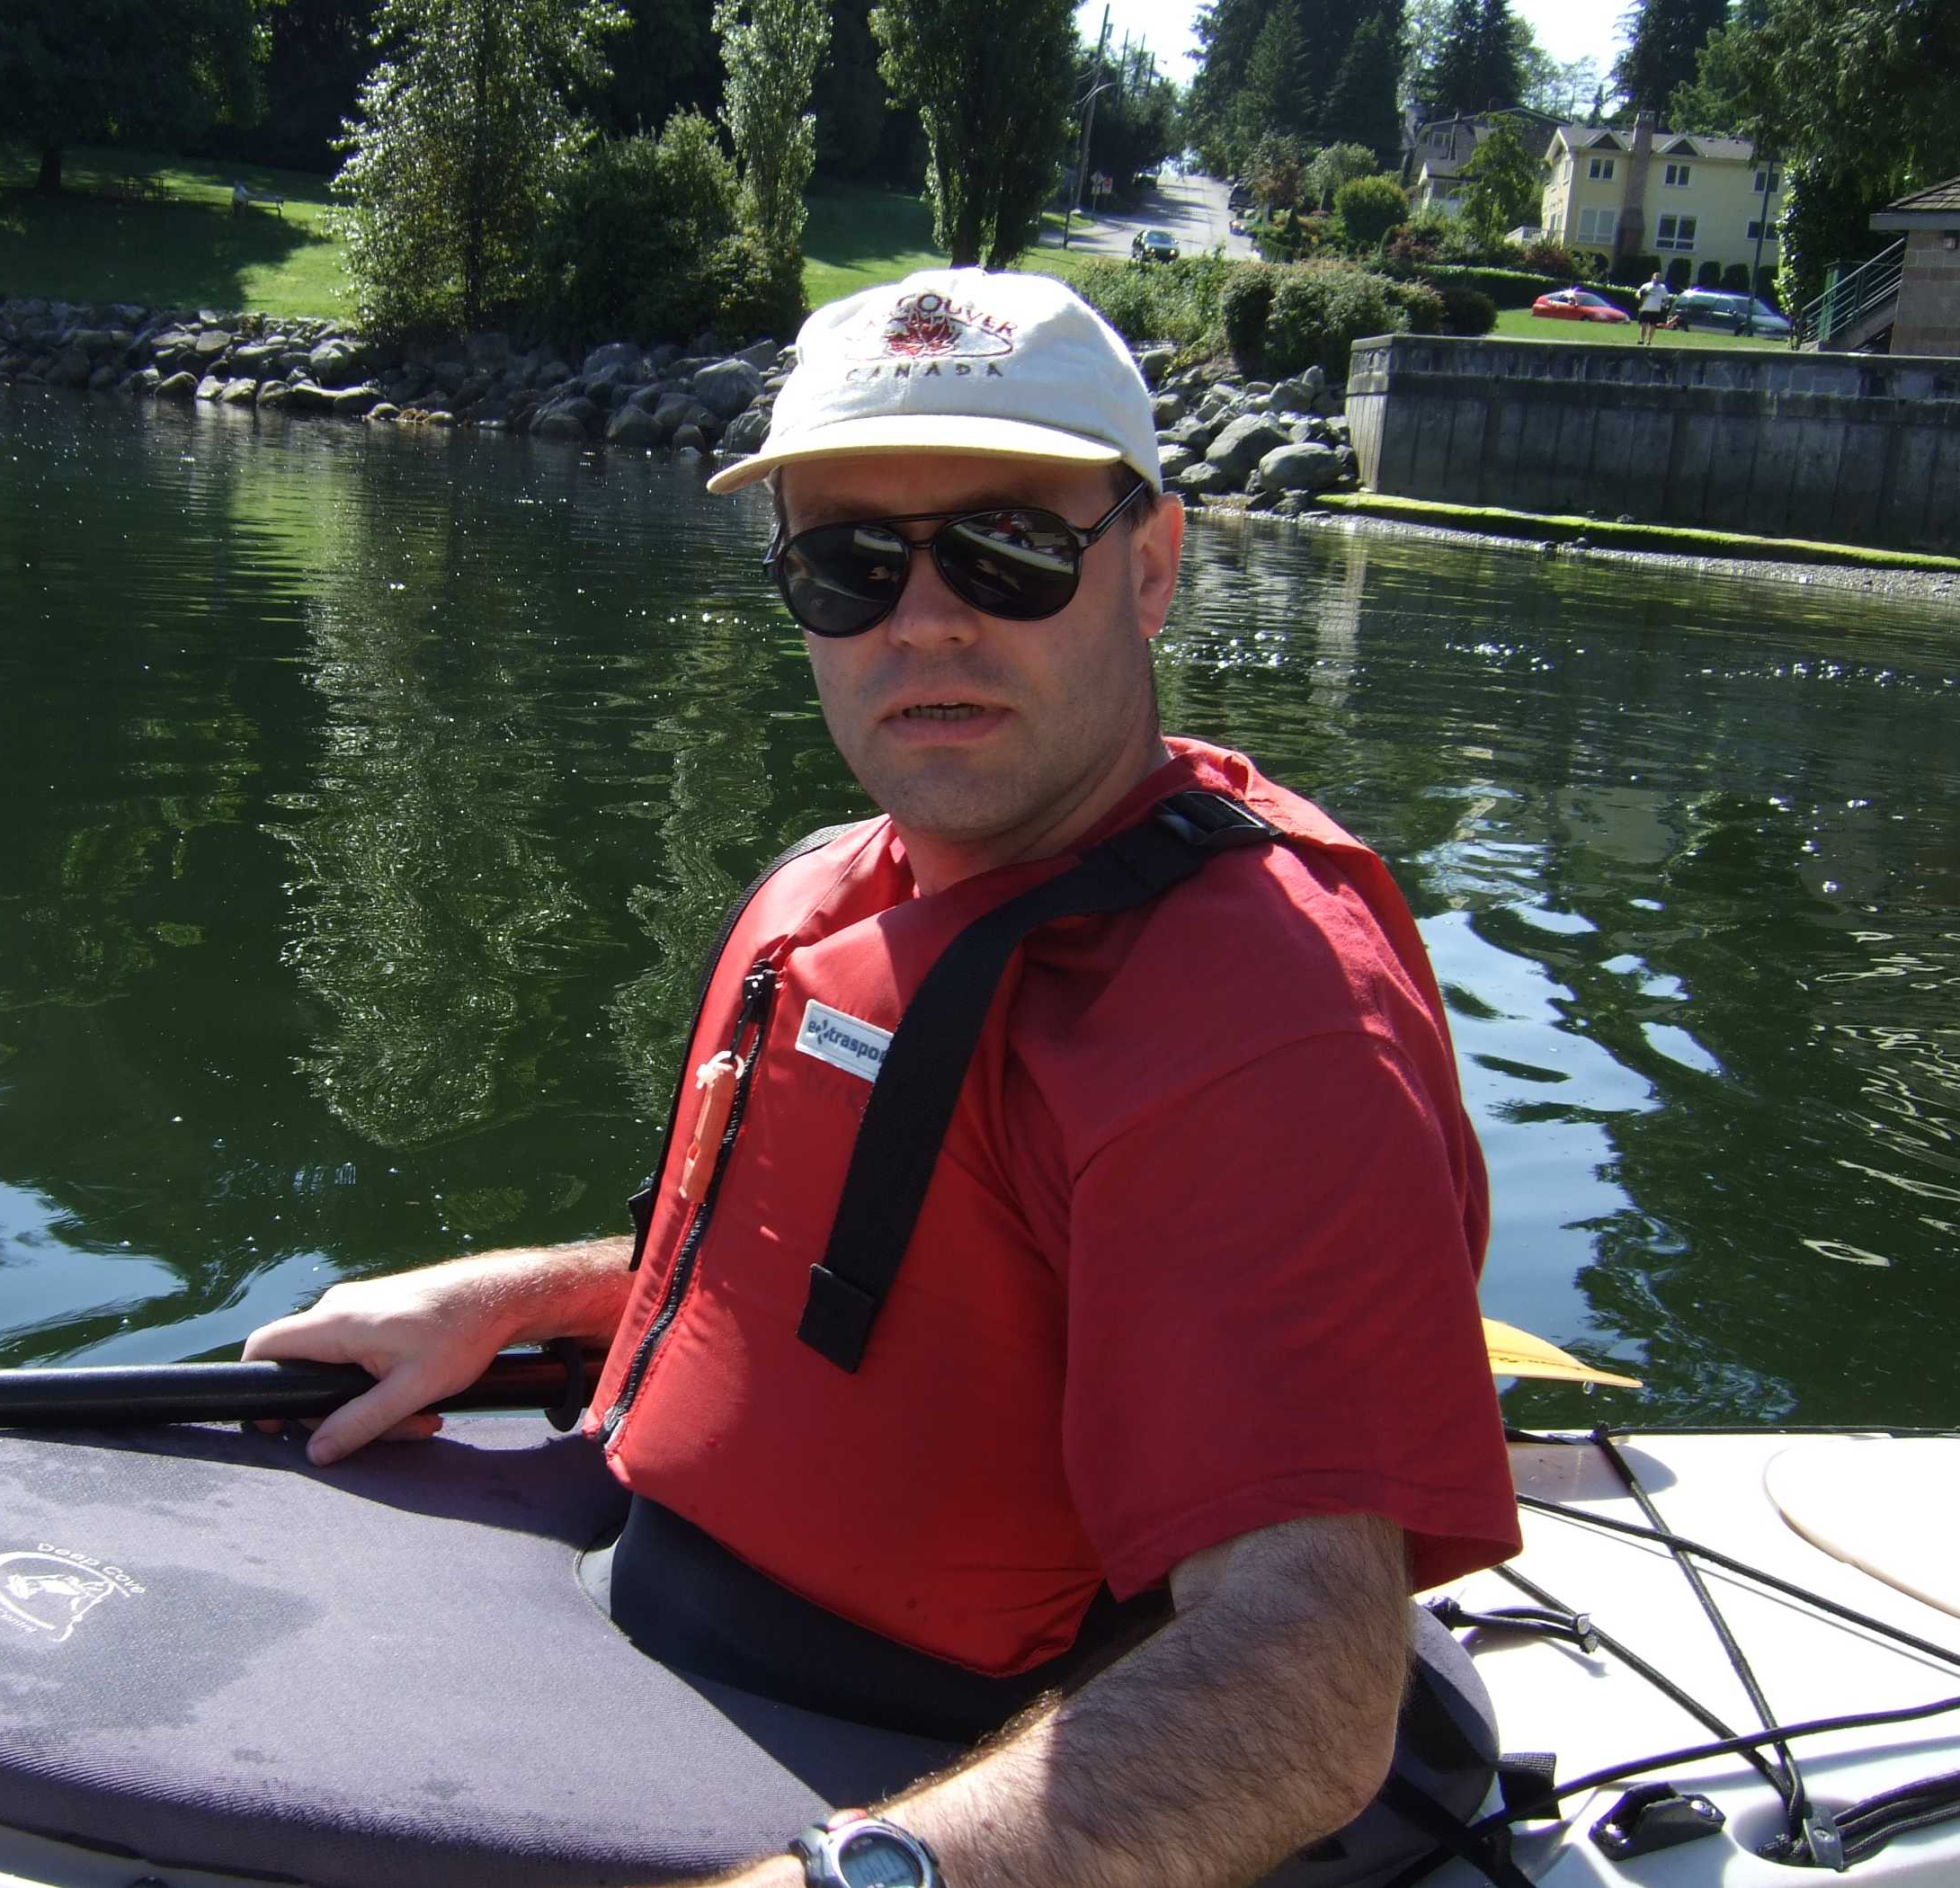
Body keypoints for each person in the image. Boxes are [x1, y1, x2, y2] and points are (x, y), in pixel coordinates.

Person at [243, 269, 1520, 1888]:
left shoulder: (1264, 1024)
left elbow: (1308, 1681)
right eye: (851, 565)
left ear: (1151, 566)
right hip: (647, 1626)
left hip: (935, 1784)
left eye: (1007, 550)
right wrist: (535, 1292)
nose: (925, 620)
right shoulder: (841, 893)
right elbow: (887, 1294)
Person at [1637, 270, 1670, 343]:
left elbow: (1666, 298)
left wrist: (1665, 304)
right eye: (1656, 277)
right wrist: (1642, 295)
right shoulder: (1646, 285)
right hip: (1645, 308)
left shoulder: (1662, 287)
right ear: (1652, 278)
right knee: (1643, 325)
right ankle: (1642, 339)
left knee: (1653, 326)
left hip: (1655, 310)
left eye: (1659, 278)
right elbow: (1638, 295)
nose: (1657, 279)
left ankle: (1649, 341)